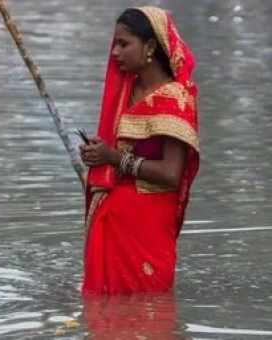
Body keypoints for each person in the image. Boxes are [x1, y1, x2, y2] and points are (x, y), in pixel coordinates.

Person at [79, 7, 199, 294]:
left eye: (124, 44)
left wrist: (113, 157)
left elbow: (171, 174)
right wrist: (98, 156)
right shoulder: (124, 92)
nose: (115, 53)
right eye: (114, 45)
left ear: (150, 47)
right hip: (112, 219)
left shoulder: (176, 98)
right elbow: (116, 154)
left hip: (148, 226)